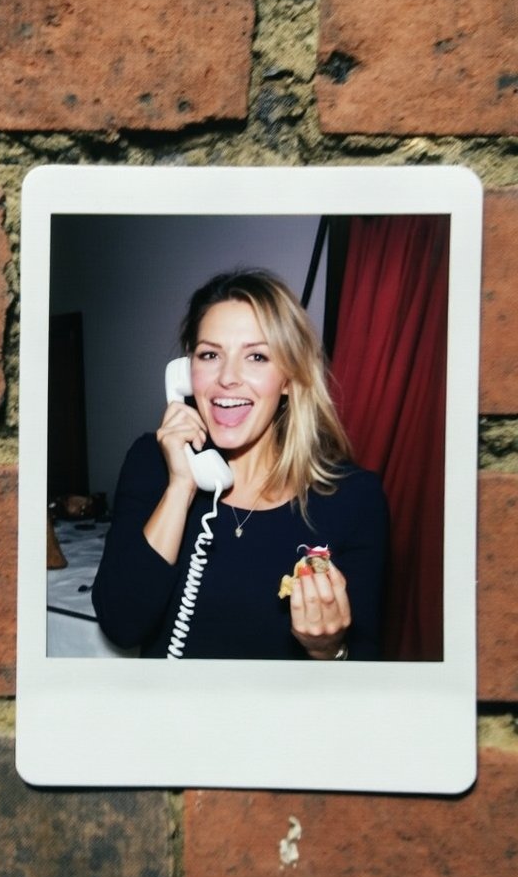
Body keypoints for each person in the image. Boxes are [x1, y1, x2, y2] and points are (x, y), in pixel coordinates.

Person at [92, 269, 388, 661]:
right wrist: (180, 487)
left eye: (257, 356)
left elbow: (365, 673)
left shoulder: (355, 498)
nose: (227, 378)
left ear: (289, 378)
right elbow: (122, 623)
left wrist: (327, 648)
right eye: (210, 355)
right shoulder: (152, 462)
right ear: (186, 372)